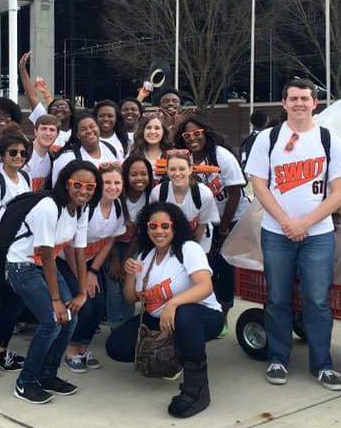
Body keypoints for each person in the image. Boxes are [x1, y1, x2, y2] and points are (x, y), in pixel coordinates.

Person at [244, 79, 341, 391]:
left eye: (305, 98)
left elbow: (340, 191)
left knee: (317, 300)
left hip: (318, 233)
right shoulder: (268, 138)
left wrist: (305, 222)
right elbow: (259, 184)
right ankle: (278, 358)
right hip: (276, 232)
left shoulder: (330, 140)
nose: (299, 103)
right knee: (277, 298)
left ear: (314, 103)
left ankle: (322, 364)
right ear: (284, 103)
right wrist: (286, 221)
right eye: (293, 98)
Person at [105, 202, 223, 418]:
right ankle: (175, 356)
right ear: (146, 228)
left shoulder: (188, 249)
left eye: (165, 226)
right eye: (153, 226)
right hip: (158, 318)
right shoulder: (145, 256)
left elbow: (205, 286)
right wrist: (130, 272)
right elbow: (131, 298)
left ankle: (197, 387)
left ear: (174, 227)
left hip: (201, 315)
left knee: (184, 313)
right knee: (116, 346)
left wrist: (173, 304)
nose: (159, 231)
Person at [5, 161, 103, 404]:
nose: (84, 191)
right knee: (52, 321)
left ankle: (48, 376)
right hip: (22, 265)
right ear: (66, 184)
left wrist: (81, 293)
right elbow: (48, 255)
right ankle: (25, 382)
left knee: (71, 318)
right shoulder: (49, 207)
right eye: (77, 185)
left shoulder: (82, 208)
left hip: (41, 265)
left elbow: (79, 250)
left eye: (90, 187)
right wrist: (56, 300)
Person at [175, 115, 251, 337]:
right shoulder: (184, 158)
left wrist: (224, 228)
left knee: (223, 268)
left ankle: (223, 316)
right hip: (201, 222)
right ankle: (202, 311)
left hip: (229, 218)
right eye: (186, 135)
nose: (192, 139)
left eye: (197, 134)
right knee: (202, 267)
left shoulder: (220, 155)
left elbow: (235, 193)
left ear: (205, 133)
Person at [61, 163, 127, 372]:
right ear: (99, 184)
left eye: (117, 182)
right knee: (84, 303)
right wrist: (81, 277)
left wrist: (93, 272)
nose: (113, 187)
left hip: (89, 262)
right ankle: (70, 349)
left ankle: (84, 347)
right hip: (65, 261)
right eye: (107, 182)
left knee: (98, 304)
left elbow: (109, 241)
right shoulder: (87, 207)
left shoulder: (118, 207)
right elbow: (70, 247)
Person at [0, 131, 32, 371]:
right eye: (13, 152)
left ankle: (0, 347)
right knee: (9, 298)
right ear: (2, 154)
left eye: (23, 152)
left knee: (15, 298)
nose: (18, 156)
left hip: (22, 247)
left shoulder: (24, 178)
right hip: (2, 250)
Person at [104, 156, 154, 326]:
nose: (139, 178)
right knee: (113, 289)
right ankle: (113, 325)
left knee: (129, 284)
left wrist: (127, 259)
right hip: (110, 246)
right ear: (125, 176)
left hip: (134, 246)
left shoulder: (151, 196)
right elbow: (107, 232)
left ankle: (128, 324)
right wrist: (115, 260)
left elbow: (140, 234)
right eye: (133, 174)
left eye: (143, 174)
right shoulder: (117, 194)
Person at [157, 149, 219, 252]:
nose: (177, 173)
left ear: (190, 169)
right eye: (172, 169)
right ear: (166, 170)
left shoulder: (204, 194)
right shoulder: (158, 193)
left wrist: (190, 251)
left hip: (198, 240)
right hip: (170, 242)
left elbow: (202, 227)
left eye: (182, 169)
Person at [51, 110, 121, 185]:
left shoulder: (111, 149)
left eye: (92, 126)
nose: (89, 131)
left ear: (98, 128)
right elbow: (58, 188)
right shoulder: (67, 158)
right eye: (83, 129)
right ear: (78, 135)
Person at [20, 52, 74, 149]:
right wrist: (22, 69)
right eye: (54, 108)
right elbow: (32, 97)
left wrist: (46, 93)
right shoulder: (45, 122)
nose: (58, 109)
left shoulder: (78, 131)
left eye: (63, 106)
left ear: (71, 111)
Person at [129, 111, 171, 179]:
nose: (152, 131)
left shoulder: (172, 154)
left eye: (157, 128)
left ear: (164, 131)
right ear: (142, 131)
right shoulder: (133, 153)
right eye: (148, 128)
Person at [26, 114, 59, 190]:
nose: (48, 133)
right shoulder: (23, 152)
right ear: (35, 131)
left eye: (52, 130)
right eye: (44, 129)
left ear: (57, 135)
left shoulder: (52, 159)